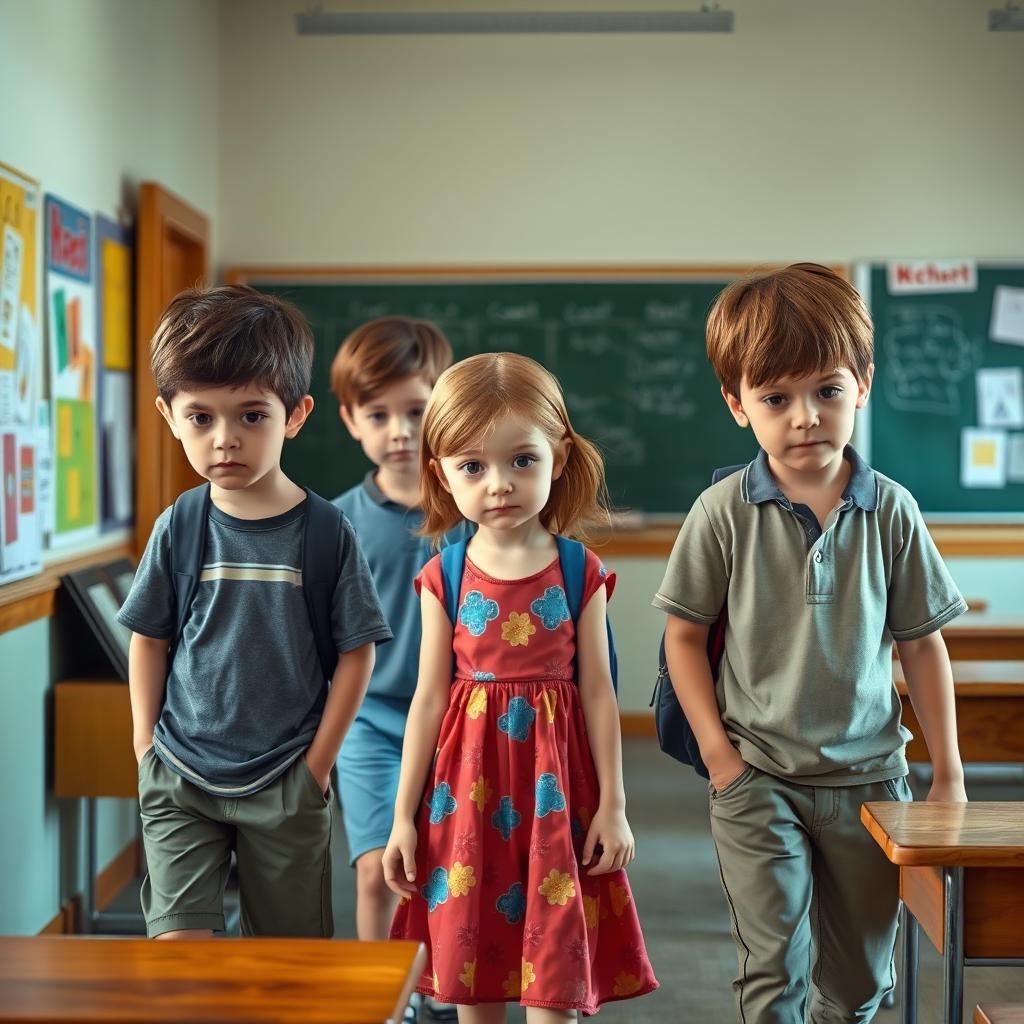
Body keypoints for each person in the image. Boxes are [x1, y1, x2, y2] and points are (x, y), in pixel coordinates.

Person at [655, 263, 968, 1023]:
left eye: (827, 390)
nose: (806, 417)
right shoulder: (722, 511)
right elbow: (683, 639)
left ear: (861, 383)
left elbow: (922, 646)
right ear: (738, 405)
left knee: (861, 982)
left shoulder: (892, 509)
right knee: (772, 972)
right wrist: (722, 758)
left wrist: (949, 774)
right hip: (759, 778)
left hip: (869, 780)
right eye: (776, 398)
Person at [384, 352, 658, 1021]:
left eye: (521, 461)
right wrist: (401, 817)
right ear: (441, 474)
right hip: (464, 800)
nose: (498, 484)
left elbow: (598, 691)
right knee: (473, 974)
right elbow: (427, 701)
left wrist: (614, 806)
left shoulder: (577, 569)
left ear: (558, 458)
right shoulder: (443, 577)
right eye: (473, 466)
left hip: (556, 796)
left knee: (553, 974)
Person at [118, 284, 392, 939]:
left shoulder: (326, 533)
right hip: (180, 775)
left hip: (285, 778)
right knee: (179, 952)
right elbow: (149, 639)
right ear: (169, 416)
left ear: (294, 415)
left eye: (250, 416)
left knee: (284, 967)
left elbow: (357, 652)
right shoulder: (180, 526)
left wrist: (317, 767)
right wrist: (143, 744)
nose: (224, 441)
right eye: (201, 418)